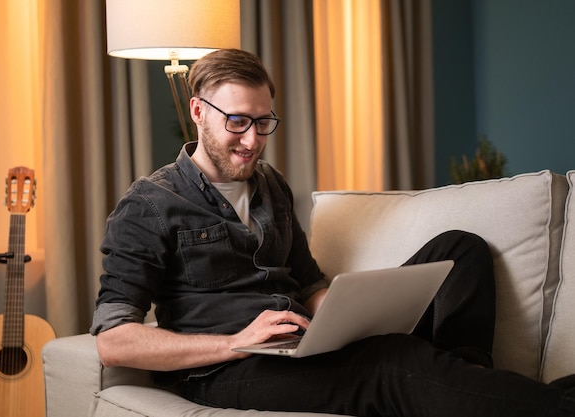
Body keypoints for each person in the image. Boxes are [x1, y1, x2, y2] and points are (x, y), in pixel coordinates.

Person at [91, 48, 575, 417]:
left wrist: (348, 318)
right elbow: (114, 340)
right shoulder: (149, 205)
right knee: (390, 361)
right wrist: (236, 340)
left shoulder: (270, 183)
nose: (252, 141)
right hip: (226, 368)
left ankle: (465, 385)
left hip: (303, 342)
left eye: (263, 123)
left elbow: (308, 283)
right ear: (198, 112)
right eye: (237, 122)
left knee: (460, 250)